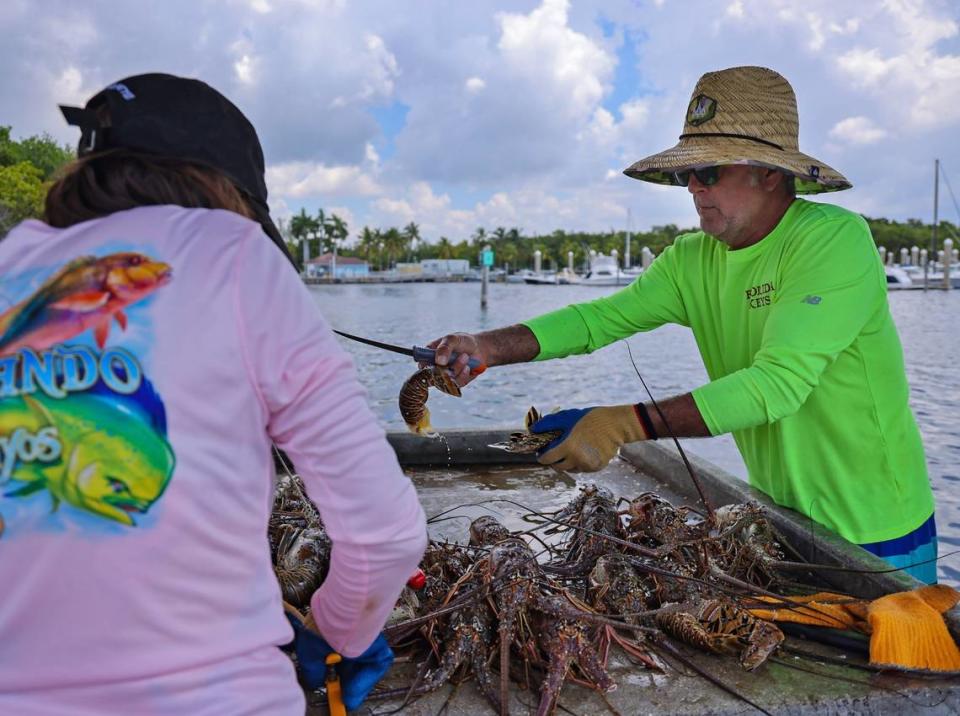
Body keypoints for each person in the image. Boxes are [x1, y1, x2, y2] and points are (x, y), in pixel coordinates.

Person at [0, 73, 427, 714]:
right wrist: (339, 633)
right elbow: (385, 534)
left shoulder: (11, 267)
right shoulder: (236, 252)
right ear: (228, 189)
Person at [431, 66, 937, 584]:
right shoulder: (692, 258)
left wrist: (624, 424)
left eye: (709, 171)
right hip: (779, 520)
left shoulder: (832, 242)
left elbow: (776, 387)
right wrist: (486, 345)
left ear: (768, 172)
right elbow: (599, 319)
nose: (693, 186)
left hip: (876, 531)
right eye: (684, 174)